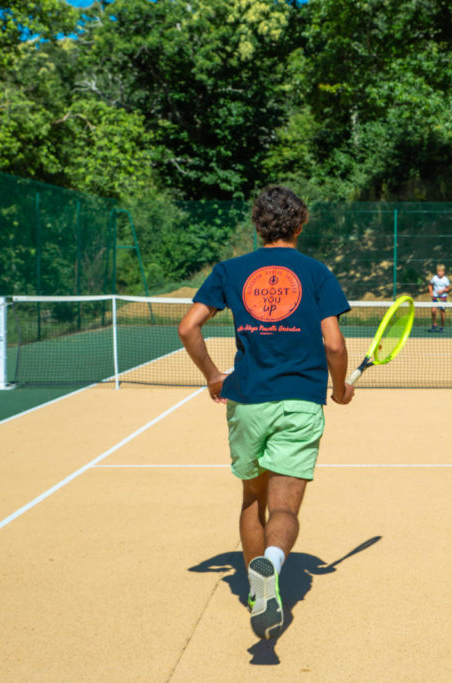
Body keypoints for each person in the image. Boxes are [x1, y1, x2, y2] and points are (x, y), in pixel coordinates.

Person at [177, 185, 354, 641]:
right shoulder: (315, 272)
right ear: (301, 223)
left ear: (258, 225)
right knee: (285, 506)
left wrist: (213, 375)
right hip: (300, 400)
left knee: (252, 501)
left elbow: (188, 327)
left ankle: (259, 595)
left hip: (247, 400)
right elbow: (333, 344)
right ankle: (271, 566)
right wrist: (339, 389)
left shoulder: (231, 270)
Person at [428, 264, 451, 332]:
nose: (440, 273)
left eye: (441, 271)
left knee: (442, 312)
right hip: (435, 297)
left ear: (444, 272)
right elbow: (430, 285)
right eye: (439, 271)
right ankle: (434, 324)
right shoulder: (434, 278)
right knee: (433, 311)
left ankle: (442, 327)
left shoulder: (446, 279)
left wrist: (442, 291)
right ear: (437, 271)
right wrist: (431, 293)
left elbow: (448, 288)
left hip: (443, 297)